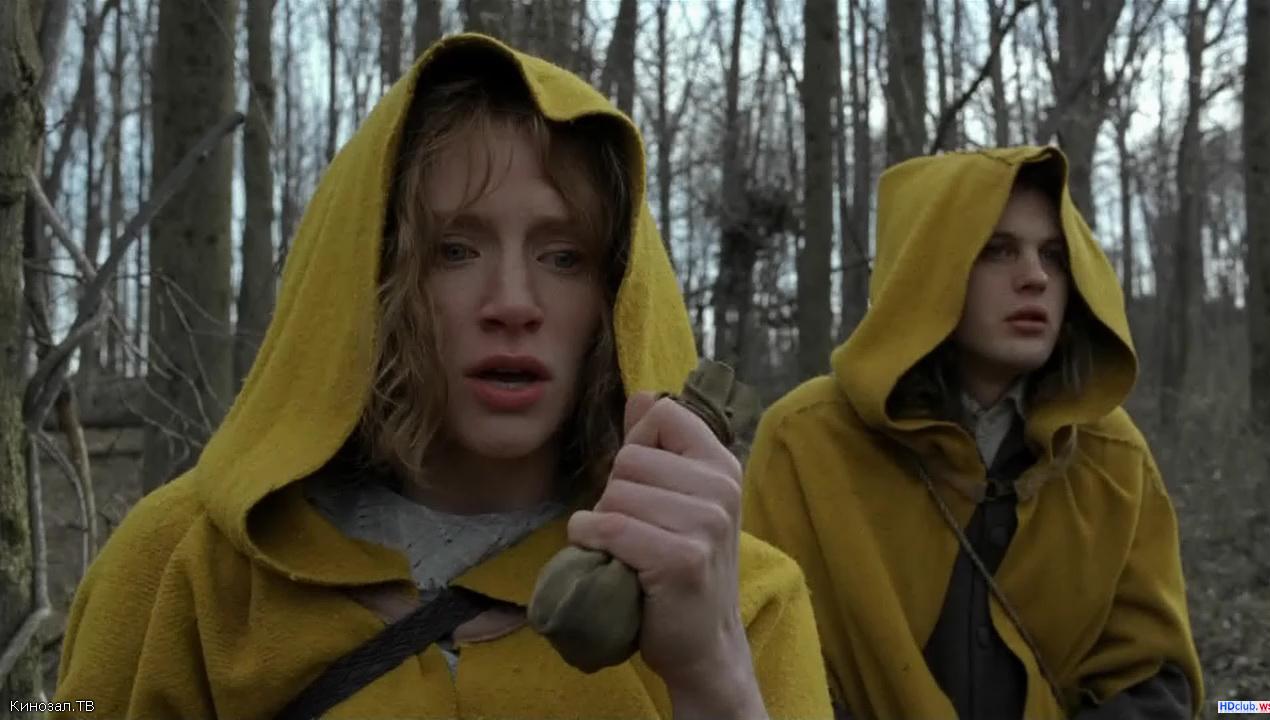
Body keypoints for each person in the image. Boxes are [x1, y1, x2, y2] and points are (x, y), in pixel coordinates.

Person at [53, 34, 830, 720]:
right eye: (454, 250)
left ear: (616, 297)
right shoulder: (183, 568)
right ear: (373, 280)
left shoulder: (739, 598)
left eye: (563, 257)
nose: (513, 304)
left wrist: (713, 677)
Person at [742, 147, 1203, 719]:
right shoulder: (806, 442)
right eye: (997, 250)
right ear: (925, 269)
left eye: (1054, 256)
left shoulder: (1111, 455)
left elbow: (1153, 681)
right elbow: (766, 664)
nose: (1035, 277)